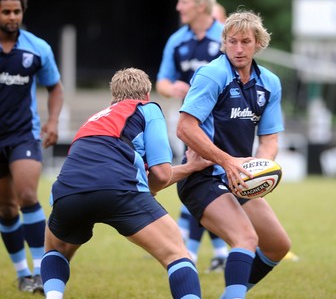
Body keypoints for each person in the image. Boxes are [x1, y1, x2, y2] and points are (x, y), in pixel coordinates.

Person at [40, 67, 210, 299]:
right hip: (119, 188)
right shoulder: (147, 109)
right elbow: (161, 173)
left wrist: (189, 168)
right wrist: (154, 188)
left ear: (113, 96)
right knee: (177, 253)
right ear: (147, 94)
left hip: (68, 191)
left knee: (56, 250)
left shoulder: (95, 119)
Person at [176, 9, 292, 298]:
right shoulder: (212, 74)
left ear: (258, 44)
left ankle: (232, 293)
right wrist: (226, 161)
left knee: (278, 245)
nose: (238, 49)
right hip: (201, 176)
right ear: (224, 43)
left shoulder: (269, 83)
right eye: (232, 42)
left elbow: (269, 138)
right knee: (245, 238)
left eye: (245, 42)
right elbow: (185, 128)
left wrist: (263, 166)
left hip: (239, 178)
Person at [156, 0, 229, 272]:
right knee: (201, 180)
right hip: (191, 125)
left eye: (183, 1)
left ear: (200, 6)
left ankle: (206, 251)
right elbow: (161, 81)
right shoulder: (177, 40)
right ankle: (210, 252)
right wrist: (171, 87)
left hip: (225, 124)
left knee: (209, 182)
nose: (178, 7)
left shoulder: (226, 38)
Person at [0, 0, 64, 294]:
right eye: (6, 12)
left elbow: (55, 87)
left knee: (27, 195)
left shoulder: (37, 48)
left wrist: (52, 121)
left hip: (24, 133)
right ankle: (22, 272)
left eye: (16, 11)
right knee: (6, 209)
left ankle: (41, 271)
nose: (12, 17)